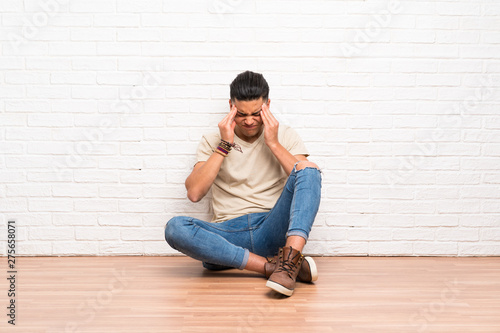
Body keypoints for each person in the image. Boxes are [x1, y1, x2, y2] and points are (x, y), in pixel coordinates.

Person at [164, 70, 322, 296]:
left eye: (256, 113)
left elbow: (306, 179)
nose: (249, 121)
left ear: (267, 105)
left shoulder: (284, 135)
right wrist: (224, 145)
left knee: (310, 170)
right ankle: (275, 267)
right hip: (227, 235)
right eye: (241, 114)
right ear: (231, 106)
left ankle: (289, 259)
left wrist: (274, 143)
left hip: (271, 227)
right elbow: (194, 193)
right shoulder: (213, 140)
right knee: (175, 228)